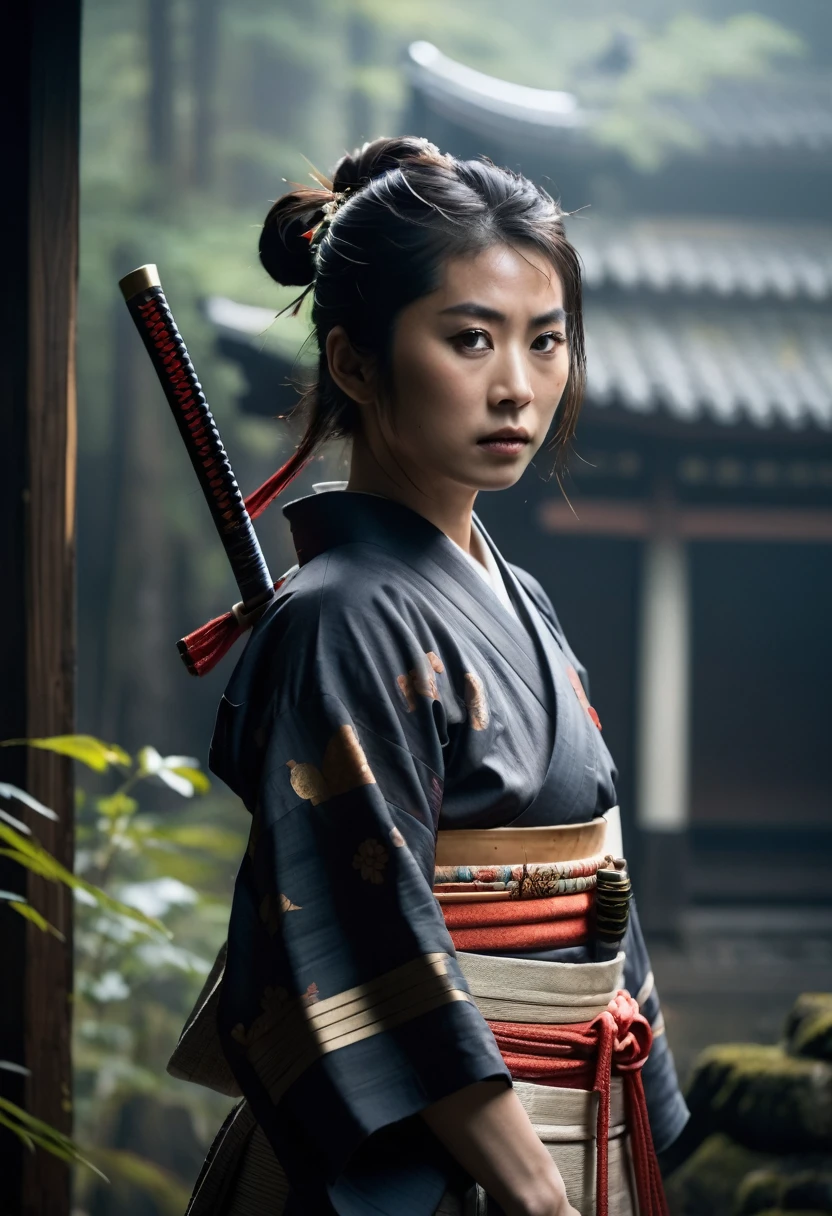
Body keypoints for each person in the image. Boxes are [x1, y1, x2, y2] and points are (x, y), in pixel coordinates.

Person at [177, 137, 689, 1216]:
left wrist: (617, 1125)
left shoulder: (522, 596)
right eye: (469, 339)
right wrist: (530, 1187)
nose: (518, 385)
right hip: (439, 1161)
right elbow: (370, 933)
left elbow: (599, 889)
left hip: (566, 1127)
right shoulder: (339, 620)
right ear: (355, 362)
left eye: (545, 342)